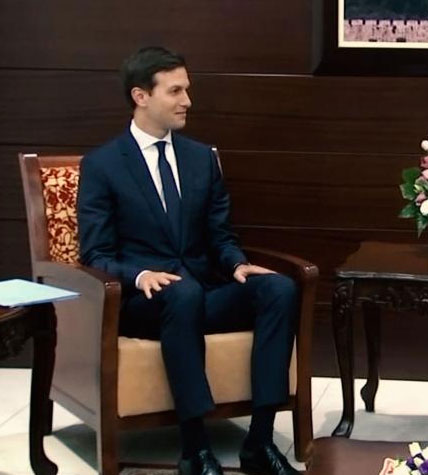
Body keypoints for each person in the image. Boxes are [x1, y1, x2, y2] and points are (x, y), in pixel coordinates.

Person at [78, 46, 299, 475]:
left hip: (202, 291)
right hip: (145, 303)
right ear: (141, 96)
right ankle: (195, 449)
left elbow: (220, 234)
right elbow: (96, 254)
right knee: (182, 294)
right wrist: (140, 274)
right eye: (175, 91)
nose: (187, 101)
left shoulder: (201, 158)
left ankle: (260, 441)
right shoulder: (103, 165)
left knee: (278, 288)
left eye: (187, 90)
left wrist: (235, 264)